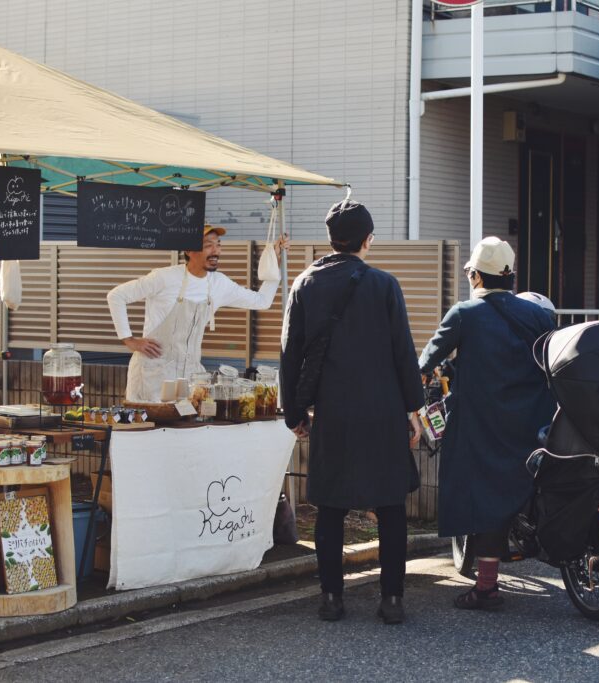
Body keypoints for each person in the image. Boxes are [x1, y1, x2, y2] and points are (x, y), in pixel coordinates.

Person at [280, 199, 423, 625]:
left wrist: (294, 412)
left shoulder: (305, 283)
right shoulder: (384, 285)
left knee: (331, 505)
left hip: (333, 411)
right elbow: (403, 351)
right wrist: (413, 409)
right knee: (390, 505)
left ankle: (331, 598)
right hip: (384, 409)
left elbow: (290, 354)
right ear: (367, 240)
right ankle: (392, 600)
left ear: (331, 239)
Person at [419, 236, 556, 610]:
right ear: (510, 277)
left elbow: (427, 361)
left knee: (481, 492)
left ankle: (486, 587)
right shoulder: (538, 316)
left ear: (476, 276)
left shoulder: (464, 314)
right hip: (533, 422)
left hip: (481, 423)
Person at [108, 224, 287, 402]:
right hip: (153, 375)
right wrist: (129, 340)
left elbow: (262, 301)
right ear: (189, 251)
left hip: (190, 377)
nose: (215, 251)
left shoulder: (219, 284)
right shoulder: (164, 277)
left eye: (218, 244)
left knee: (189, 419)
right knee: (150, 420)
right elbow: (116, 296)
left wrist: (274, 263)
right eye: (208, 245)